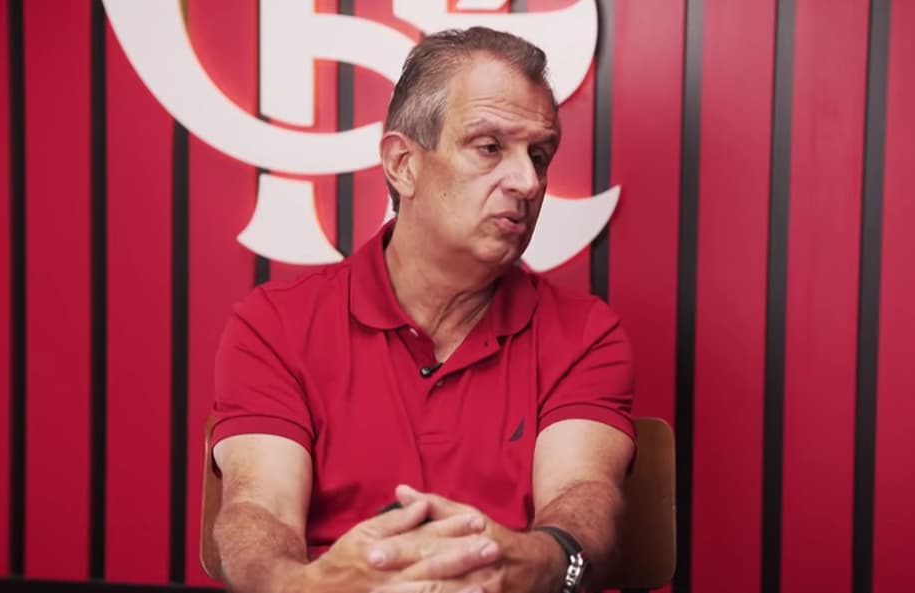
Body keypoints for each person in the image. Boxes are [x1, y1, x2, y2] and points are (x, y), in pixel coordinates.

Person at [210, 27, 636, 593]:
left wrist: (535, 562)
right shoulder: (274, 325)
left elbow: (585, 498)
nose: (529, 182)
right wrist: (298, 587)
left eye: (539, 154)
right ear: (403, 164)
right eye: (489, 148)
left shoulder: (585, 334)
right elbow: (257, 512)